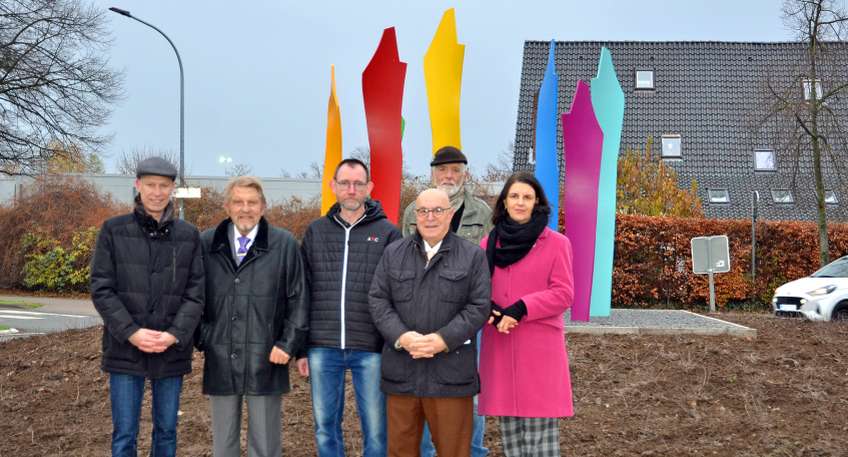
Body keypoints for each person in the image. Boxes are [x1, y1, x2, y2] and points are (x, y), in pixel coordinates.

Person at [90, 157, 204, 457]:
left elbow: (196, 293)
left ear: (172, 189)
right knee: (125, 434)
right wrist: (131, 332)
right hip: (125, 349)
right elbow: (102, 288)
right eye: (150, 185)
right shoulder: (113, 230)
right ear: (138, 185)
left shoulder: (189, 235)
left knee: (167, 432)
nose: (157, 192)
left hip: (170, 350)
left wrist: (174, 334)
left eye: (163, 186)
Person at [369, 188, 491, 457]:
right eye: (423, 211)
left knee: (454, 451)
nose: (430, 217)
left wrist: (443, 340)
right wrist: (402, 337)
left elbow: (479, 306)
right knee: (400, 451)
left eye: (437, 210)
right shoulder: (393, 253)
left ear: (450, 214)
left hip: (451, 376)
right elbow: (378, 300)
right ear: (415, 216)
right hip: (402, 373)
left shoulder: (472, 256)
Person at [195, 176, 309, 457]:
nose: (245, 209)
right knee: (224, 444)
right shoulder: (207, 243)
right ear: (227, 206)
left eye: (252, 202)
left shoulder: (284, 244)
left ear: (263, 206)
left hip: (267, 358)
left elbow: (299, 299)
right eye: (238, 202)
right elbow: (192, 296)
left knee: (266, 445)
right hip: (221, 356)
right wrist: (205, 337)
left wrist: (287, 344)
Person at [297, 158, 402, 456]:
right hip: (322, 345)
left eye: (358, 183)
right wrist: (301, 347)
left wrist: (392, 342)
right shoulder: (316, 231)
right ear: (333, 186)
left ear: (369, 187)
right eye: (345, 183)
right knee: (325, 426)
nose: (351, 190)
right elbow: (302, 290)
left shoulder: (388, 233)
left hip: (371, 346)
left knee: (377, 429)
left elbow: (398, 292)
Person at [400, 145, 492, 456]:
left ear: (465, 174)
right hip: (421, 318)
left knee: (470, 392)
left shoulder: (482, 213)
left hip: (467, 321)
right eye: (442, 170)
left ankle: (472, 450)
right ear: (433, 174)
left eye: (455, 170)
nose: (448, 176)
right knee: (421, 389)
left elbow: (487, 266)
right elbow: (404, 263)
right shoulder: (412, 212)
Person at [478, 172, 575, 457]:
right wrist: (489, 309)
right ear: (504, 202)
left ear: (537, 203)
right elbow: (478, 288)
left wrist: (522, 308)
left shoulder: (557, 243)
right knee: (511, 440)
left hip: (538, 351)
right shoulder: (488, 243)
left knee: (540, 441)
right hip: (501, 344)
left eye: (527, 197)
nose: (520, 202)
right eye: (514, 196)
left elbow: (563, 293)